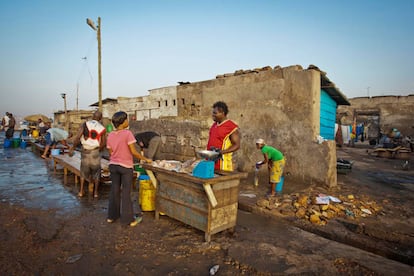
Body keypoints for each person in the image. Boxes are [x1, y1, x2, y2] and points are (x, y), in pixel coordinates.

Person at [106, 111, 152, 227]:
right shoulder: (127, 134)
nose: (128, 121)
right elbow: (133, 152)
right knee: (126, 192)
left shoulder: (110, 135)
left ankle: (112, 217)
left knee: (114, 190)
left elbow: (110, 152)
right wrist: (146, 159)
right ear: (123, 122)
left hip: (113, 165)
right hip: (125, 167)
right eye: (126, 119)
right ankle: (128, 219)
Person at [70, 111, 106, 198]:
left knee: (83, 173)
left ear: (93, 116)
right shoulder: (102, 128)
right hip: (95, 151)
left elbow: (78, 137)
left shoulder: (85, 124)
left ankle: (81, 191)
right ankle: (96, 193)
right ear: (100, 118)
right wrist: (99, 150)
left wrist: (73, 148)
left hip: (85, 151)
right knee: (96, 173)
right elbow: (104, 142)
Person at [206, 101, 240, 171]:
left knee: (221, 180)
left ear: (222, 113)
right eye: (213, 113)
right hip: (211, 160)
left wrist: (222, 152)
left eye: (215, 113)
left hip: (223, 163)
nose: (213, 115)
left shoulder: (231, 127)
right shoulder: (214, 125)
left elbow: (237, 145)